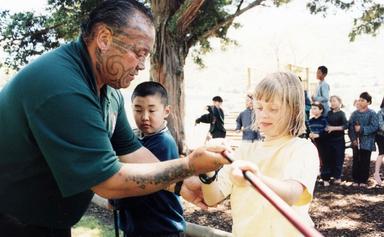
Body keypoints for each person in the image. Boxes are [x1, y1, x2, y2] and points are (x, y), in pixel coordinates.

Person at [0, 1, 228, 236]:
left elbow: (131, 151)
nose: (141, 65)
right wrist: (188, 165)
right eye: (138, 53)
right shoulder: (62, 85)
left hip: (46, 220)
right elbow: (107, 180)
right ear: (104, 38)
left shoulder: (109, 93)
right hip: (12, 220)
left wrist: (183, 184)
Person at [201, 72, 319, 237]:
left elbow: (291, 194)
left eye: (273, 109)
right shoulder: (244, 151)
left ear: (294, 111)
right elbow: (212, 198)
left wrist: (254, 179)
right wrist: (206, 171)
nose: (264, 114)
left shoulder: (302, 149)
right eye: (259, 107)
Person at [113, 81, 186, 236]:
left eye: (152, 110)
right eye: (138, 110)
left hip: (160, 229)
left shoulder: (163, 143)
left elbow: (137, 186)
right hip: (137, 227)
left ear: (166, 111)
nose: (145, 117)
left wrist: (114, 198)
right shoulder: (136, 139)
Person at [348, 92, 379, 187]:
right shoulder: (354, 114)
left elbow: (374, 126)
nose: (360, 102)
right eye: (359, 100)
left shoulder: (372, 113)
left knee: (365, 160)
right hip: (356, 142)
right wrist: (353, 139)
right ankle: (356, 179)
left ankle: (363, 180)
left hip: (367, 142)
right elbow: (350, 127)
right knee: (356, 160)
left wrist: (362, 129)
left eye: (363, 100)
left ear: (368, 102)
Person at [325, 96, 348, 184]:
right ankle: (330, 175)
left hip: (339, 140)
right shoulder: (329, 113)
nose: (332, 103)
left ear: (339, 102)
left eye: (334, 101)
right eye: (331, 101)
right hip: (329, 139)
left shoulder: (341, 113)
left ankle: (337, 177)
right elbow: (325, 123)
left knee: (339, 158)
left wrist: (333, 128)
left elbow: (345, 126)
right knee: (331, 158)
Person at [308, 101, 329, 186]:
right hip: (313, 143)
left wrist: (319, 135)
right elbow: (308, 131)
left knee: (324, 160)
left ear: (321, 110)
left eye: (315, 108)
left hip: (323, 143)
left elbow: (327, 131)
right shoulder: (310, 121)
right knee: (314, 160)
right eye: (312, 108)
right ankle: (315, 178)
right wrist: (309, 134)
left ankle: (326, 178)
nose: (313, 110)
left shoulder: (324, 120)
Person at [373, 97, 384, 186]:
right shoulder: (380, 112)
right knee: (381, 153)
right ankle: (376, 173)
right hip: (381, 136)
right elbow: (381, 126)